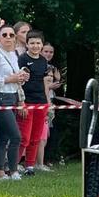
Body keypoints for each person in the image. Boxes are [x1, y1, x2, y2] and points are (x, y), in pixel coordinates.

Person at [0, 25, 27, 179]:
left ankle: (0, 172)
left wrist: (21, 77)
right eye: (5, 35)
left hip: (13, 97)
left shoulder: (14, 54)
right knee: (16, 136)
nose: (8, 37)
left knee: (4, 137)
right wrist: (11, 79)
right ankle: (14, 171)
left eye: (11, 35)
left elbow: (15, 77)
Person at [16, 30, 52, 174]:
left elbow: (45, 83)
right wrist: (21, 102)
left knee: (36, 137)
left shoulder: (44, 61)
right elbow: (18, 82)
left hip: (41, 102)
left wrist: (48, 103)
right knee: (24, 136)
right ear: (27, 44)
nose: (35, 46)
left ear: (42, 45)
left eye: (38, 43)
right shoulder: (22, 59)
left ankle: (29, 166)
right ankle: (13, 165)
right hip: (26, 101)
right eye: (32, 43)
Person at [35, 41, 63, 169]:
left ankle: (44, 160)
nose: (48, 54)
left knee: (48, 134)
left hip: (50, 101)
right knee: (41, 134)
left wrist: (57, 81)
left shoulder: (51, 67)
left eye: (51, 52)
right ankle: (37, 162)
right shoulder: (38, 66)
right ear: (41, 51)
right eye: (46, 51)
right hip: (42, 102)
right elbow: (42, 86)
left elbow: (52, 86)